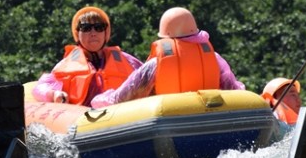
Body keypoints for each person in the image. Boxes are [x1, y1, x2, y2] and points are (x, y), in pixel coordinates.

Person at [90, 6, 245, 109]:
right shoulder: (215, 58)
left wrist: (99, 99)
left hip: (169, 121)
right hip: (210, 118)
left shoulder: (156, 64)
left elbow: (122, 97)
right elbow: (234, 90)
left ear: (166, 37)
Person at [32, 6, 144, 106]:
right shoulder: (65, 66)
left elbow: (146, 76)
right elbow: (40, 87)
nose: (93, 33)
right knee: (98, 101)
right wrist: (54, 94)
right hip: (84, 118)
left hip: (122, 113)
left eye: (99, 27)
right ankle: (110, 100)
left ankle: (113, 99)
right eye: (86, 28)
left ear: (106, 33)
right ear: (77, 34)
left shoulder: (127, 60)